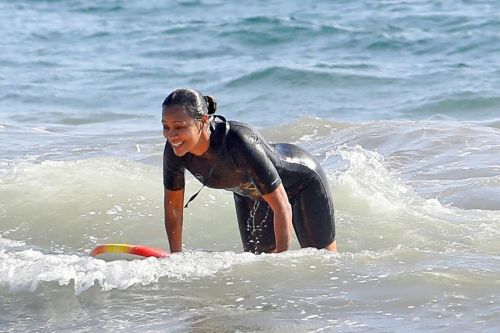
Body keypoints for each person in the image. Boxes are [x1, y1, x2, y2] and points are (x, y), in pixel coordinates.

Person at [162, 88, 336, 254]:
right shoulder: (175, 151)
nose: (171, 135)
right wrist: (175, 255)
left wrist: (281, 265)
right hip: (251, 195)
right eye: (166, 127)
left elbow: (282, 207)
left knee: (323, 264)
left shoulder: (239, 142)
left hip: (302, 184)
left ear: (203, 121)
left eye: (179, 127)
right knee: (261, 273)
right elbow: (174, 209)